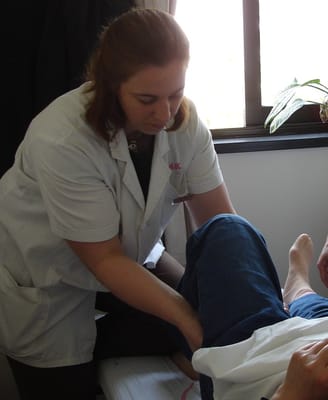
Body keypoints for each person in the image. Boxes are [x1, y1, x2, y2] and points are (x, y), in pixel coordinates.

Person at [0, 8, 236, 400]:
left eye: (175, 94)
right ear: (110, 86)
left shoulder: (185, 122)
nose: (165, 114)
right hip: (46, 275)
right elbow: (106, 259)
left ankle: (111, 345)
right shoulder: (61, 138)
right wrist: (187, 319)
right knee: (63, 387)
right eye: (147, 99)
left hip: (132, 256)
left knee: (211, 312)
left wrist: (244, 286)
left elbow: (222, 224)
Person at [175, 213, 328, 400]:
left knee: (229, 229)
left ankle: (297, 290)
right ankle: (298, 285)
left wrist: (290, 394)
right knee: (312, 306)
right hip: (319, 330)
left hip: (259, 366)